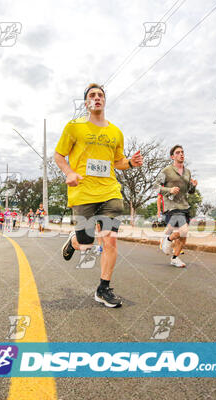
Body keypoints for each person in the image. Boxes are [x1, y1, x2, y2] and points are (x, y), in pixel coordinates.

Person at [55, 83, 143, 308]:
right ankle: (74, 241)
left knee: (110, 240)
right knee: (86, 241)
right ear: (86, 103)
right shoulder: (74, 127)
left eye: (100, 95)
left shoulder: (115, 132)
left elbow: (117, 162)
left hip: (109, 191)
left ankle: (103, 288)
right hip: (83, 191)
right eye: (92, 95)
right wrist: (69, 172)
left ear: (104, 101)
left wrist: (130, 163)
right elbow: (59, 155)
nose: (97, 98)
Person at [157, 144, 198, 268]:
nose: (181, 154)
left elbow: (190, 192)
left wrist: (194, 186)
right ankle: (168, 240)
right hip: (172, 206)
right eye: (178, 152)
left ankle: (175, 258)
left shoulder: (187, 172)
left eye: (182, 152)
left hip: (185, 206)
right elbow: (156, 186)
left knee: (183, 236)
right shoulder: (166, 171)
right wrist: (169, 190)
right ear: (172, 156)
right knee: (184, 230)